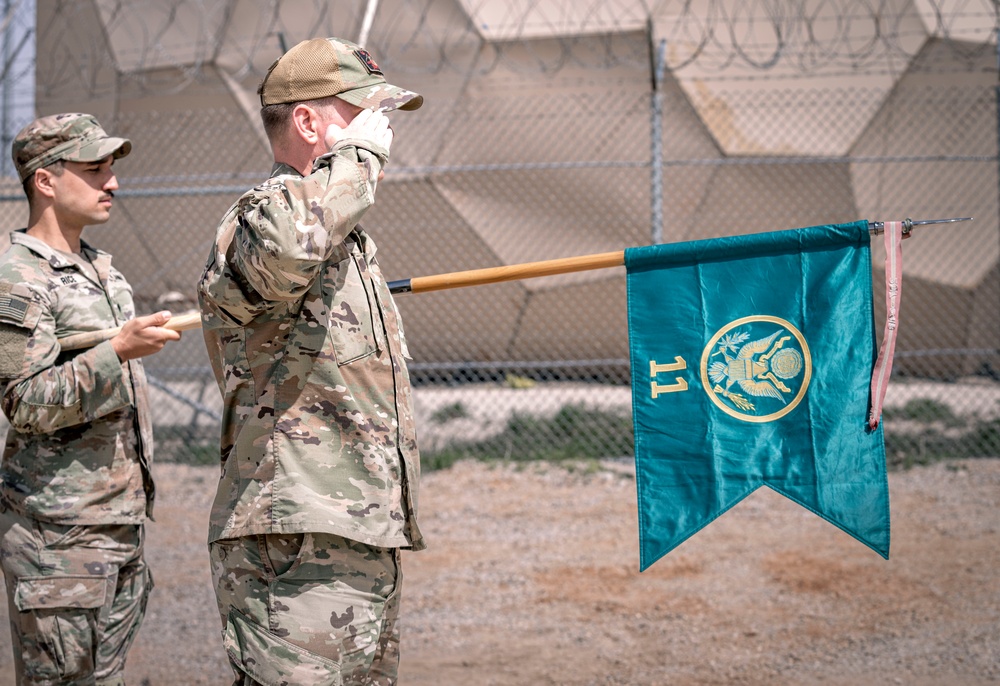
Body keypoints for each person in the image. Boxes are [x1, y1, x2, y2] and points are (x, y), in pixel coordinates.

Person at [197, 37, 424, 685]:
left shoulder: (341, 237)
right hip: (293, 540)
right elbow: (292, 246)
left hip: (353, 532)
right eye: (363, 114)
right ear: (308, 122)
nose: (381, 131)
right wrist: (357, 158)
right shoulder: (259, 221)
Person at [0, 113, 181, 685]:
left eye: (111, 169)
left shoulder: (102, 269)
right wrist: (116, 353)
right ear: (45, 181)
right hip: (57, 534)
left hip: (115, 524)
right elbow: (25, 400)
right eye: (94, 168)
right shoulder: (16, 277)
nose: (113, 183)